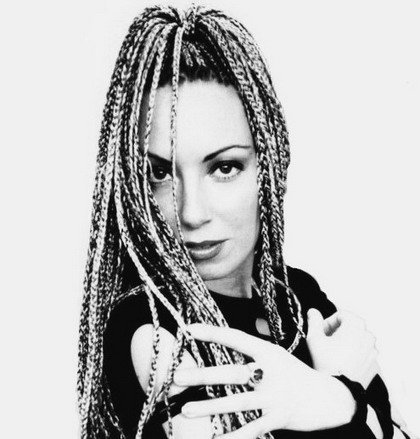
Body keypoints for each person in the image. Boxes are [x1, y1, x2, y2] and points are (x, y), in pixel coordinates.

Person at [77, 5, 412, 439]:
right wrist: (340, 395)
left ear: (268, 168)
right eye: (160, 174)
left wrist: (338, 403)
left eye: (224, 167)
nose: (191, 212)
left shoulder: (299, 297)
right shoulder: (152, 331)